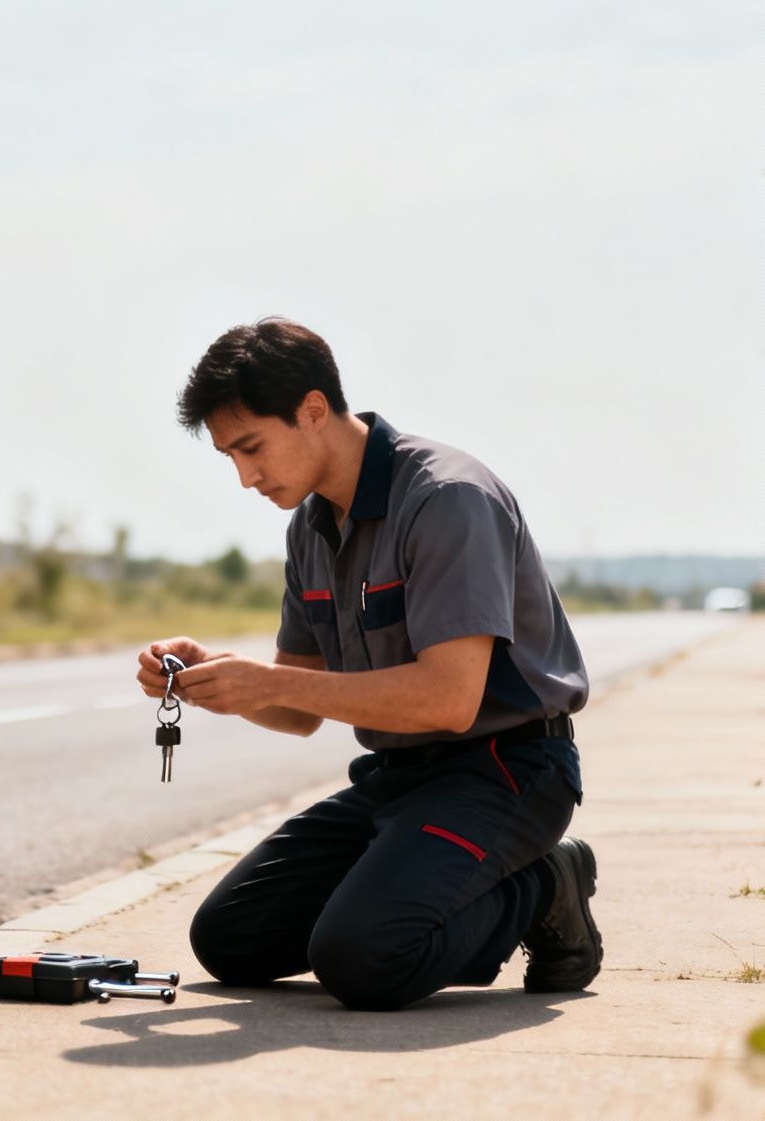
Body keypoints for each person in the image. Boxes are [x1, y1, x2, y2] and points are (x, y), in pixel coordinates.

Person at [138, 317, 600, 1012]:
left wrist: (271, 681)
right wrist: (215, 680)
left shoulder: (448, 499)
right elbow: (296, 711)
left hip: (507, 771)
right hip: (397, 780)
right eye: (229, 457)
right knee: (231, 941)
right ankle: (417, 883)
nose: (244, 477)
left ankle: (545, 884)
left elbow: (449, 700)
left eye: (251, 447)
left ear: (313, 410)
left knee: (364, 958)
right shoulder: (311, 526)